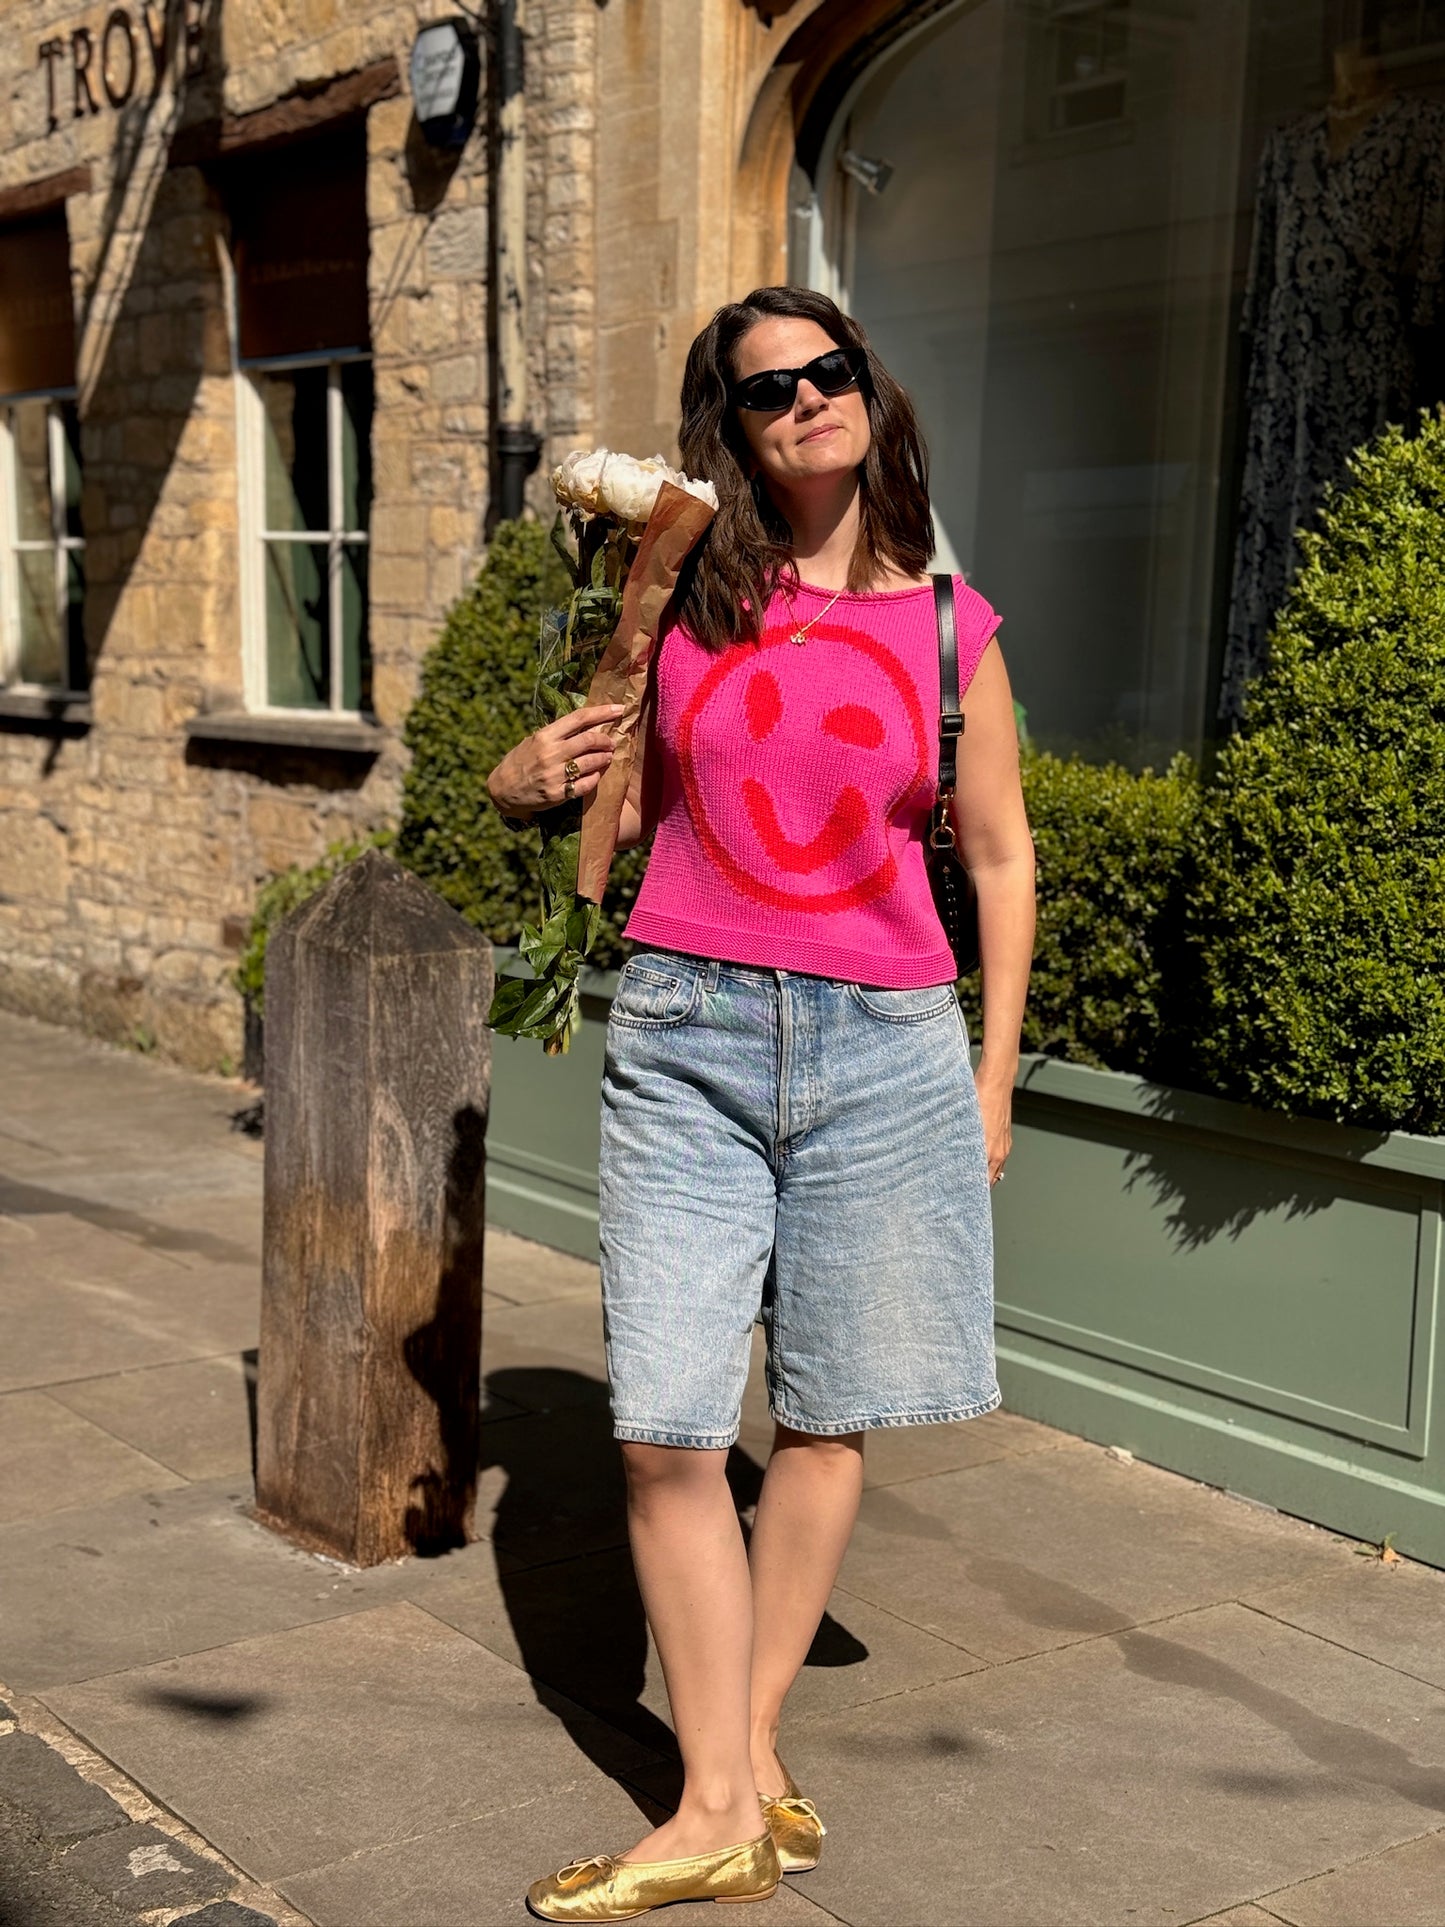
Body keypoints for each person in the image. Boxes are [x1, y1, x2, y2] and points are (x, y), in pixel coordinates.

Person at [487, 285, 1035, 1921]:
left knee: (821, 1418)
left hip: (886, 1048)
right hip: (685, 1031)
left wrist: (991, 1080)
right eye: (764, 388)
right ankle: (725, 1794)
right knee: (662, 1427)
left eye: (827, 370)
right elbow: (614, 794)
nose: (802, 400)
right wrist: (520, 784)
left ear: (870, 387)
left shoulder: (951, 629)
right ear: (726, 427)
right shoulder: (686, 608)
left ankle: (732, 1767)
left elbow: (999, 860)